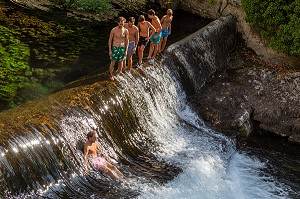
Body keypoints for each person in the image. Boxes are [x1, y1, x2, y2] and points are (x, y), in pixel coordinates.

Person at [108, 16, 129, 80]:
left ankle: (118, 74)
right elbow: (110, 40)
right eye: (120, 23)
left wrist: (126, 50)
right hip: (115, 47)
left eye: (122, 24)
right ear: (118, 23)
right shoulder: (114, 30)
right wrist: (110, 50)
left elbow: (127, 40)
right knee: (113, 62)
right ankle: (111, 75)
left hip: (122, 48)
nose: (121, 25)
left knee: (121, 62)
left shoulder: (126, 31)